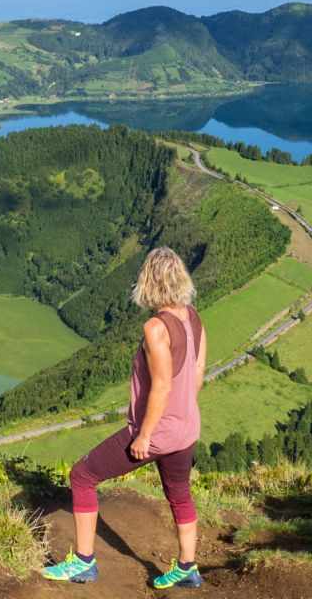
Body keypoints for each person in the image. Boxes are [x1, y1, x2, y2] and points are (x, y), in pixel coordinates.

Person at [41, 247, 206, 589]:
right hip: (187, 426)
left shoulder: (156, 328)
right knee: (179, 493)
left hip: (158, 430)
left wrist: (144, 435)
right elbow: (198, 372)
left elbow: (160, 386)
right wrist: (182, 412)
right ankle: (188, 567)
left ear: (149, 282)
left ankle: (84, 563)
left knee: (82, 475)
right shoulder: (193, 317)